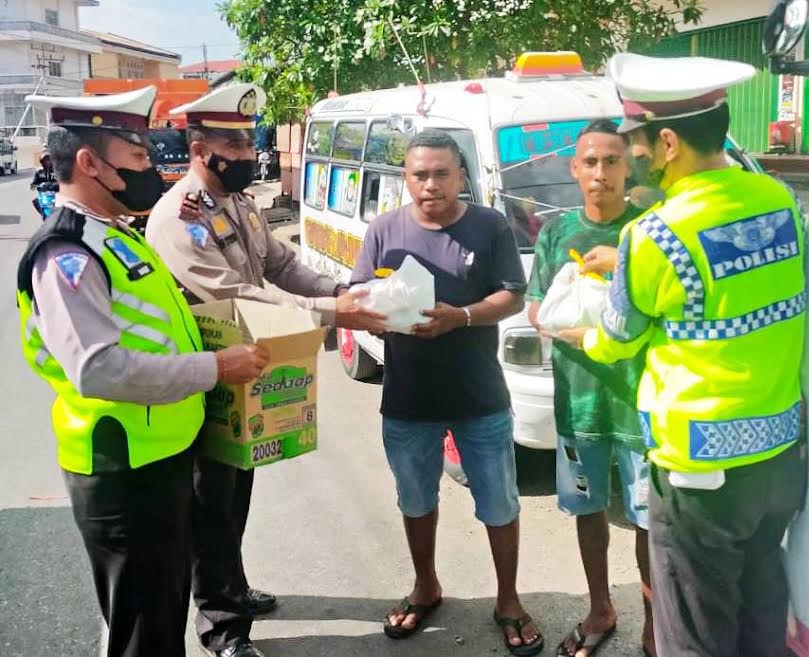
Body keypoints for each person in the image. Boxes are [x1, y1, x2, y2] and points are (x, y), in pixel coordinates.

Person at [561, 53, 808, 657]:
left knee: (695, 634)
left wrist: (578, 333)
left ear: (668, 142)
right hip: (778, 454)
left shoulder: (653, 236)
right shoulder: (776, 198)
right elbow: (730, 274)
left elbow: (617, 334)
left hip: (701, 472)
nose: (634, 157)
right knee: (761, 615)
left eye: (637, 143)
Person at [15, 87, 269, 657]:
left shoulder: (118, 233)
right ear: (89, 163)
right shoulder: (68, 254)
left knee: (163, 609)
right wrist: (216, 367)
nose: (152, 169)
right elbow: (98, 369)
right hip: (122, 466)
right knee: (142, 630)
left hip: (160, 455)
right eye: (138, 158)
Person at [145, 83, 386, 657]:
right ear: (202, 150)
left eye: (251, 144)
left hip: (244, 374)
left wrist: (342, 289)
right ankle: (223, 630)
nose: (252, 157)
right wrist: (335, 311)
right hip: (206, 377)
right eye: (239, 147)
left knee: (235, 493)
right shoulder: (180, 219)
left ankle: (232, 585)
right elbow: (241, 296)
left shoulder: (239, 204)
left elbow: (280, 265)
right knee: (209, 507)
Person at [350, 130, 544, 656]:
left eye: (441, 173)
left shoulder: (489, 226)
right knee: (415, 500)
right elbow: (358, 296)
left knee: (500, 503)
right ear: (405, 178)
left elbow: (512, 295)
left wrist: (460, 317)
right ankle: (425, 586)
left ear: (461, 175)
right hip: (409, 399)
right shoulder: (384, 230)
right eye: (419, 174)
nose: (430, 184)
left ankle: (508, 600)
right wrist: (381, 316)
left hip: (479, 397)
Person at [526, 119, 654, 657]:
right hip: (578, 403)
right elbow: (536, 307)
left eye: (612, 161)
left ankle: (655, 624)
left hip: (642, 404)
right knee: (589, 512)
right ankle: (601, 608)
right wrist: (558, 317)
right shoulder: (557, 234)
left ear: (629, 167)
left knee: (650, 521)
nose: (601, 173)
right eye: (590, 162)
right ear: (574, 169)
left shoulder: (650, 229)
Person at [31, 145, 58, 215]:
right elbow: (33, 185)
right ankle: (43, 214)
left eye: (48, 159)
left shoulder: (57, 170)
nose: (47, 162)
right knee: (35, 201)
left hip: (56, 195)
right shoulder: (39, 172)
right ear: (42, 161)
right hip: (44, 195)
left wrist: (56, 185)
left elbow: (64, 182)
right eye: (45, 160)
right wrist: (34, 186)